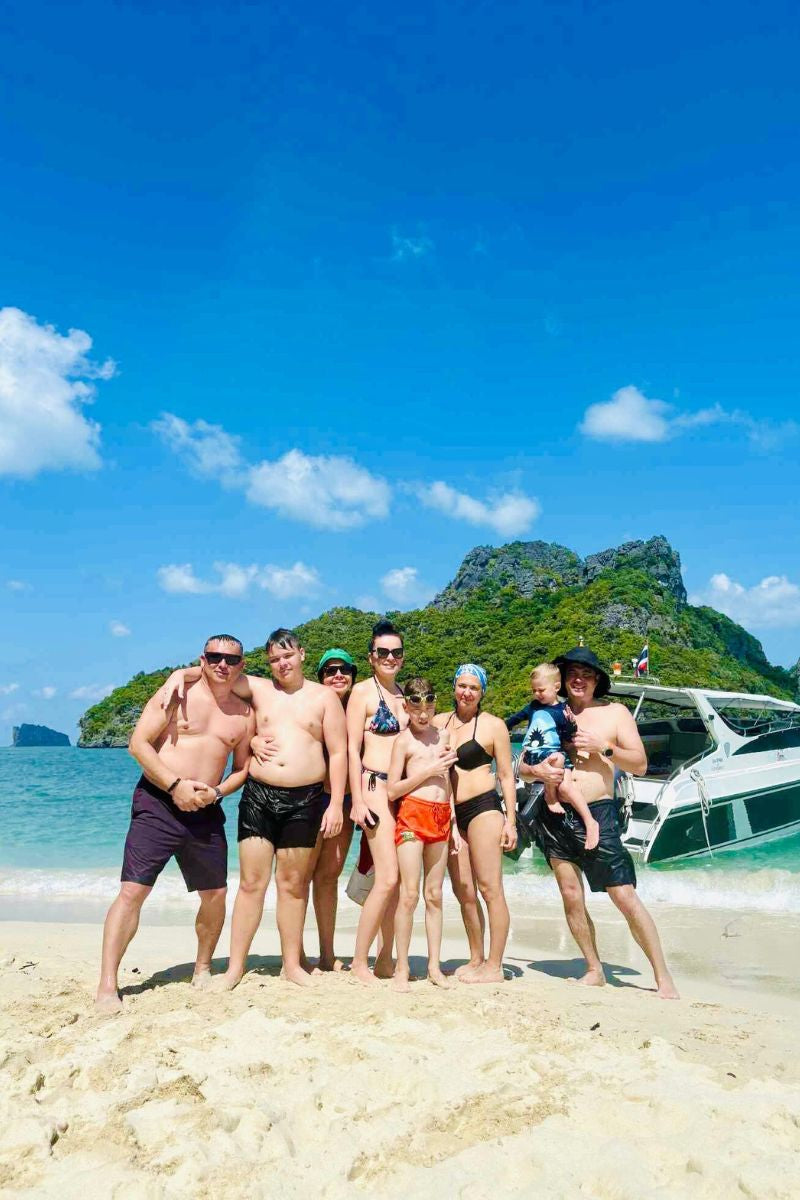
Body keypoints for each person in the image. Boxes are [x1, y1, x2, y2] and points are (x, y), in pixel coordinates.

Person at [161, 628, 348, 987]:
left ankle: (291, 965)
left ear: (302, 655)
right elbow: (216, 674)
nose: (282, 664)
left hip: (305, 800)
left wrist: (336, 803)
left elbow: (338, 753)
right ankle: (235, 967)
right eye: (275, 659)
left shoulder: (324, 697)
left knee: (292, 885)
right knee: (251, 884)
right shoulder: (259, 689)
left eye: (288, 656)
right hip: (259, 796)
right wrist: (177, 674)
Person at [96, 635, 255, 1012]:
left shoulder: (243, 714)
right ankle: (106, 985)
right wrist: (175, 785)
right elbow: (139, 744)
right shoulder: (175, 695)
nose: (222, 665)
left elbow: (243, 768)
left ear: (241, 665)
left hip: (205, 808)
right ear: (202, 659)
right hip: (158, 803)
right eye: (215, 657)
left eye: (231, 660)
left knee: (215, 895)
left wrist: (216, 793)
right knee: (133, 892)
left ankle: (202, 967)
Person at [519, 646, 679, 999]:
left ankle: (662, 975)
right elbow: (521, 764)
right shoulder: (547, 712)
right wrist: (535, 770)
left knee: (623, 894)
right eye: (573, 672)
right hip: (555, 813)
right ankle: (594, 968)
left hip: (599, 812)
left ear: (597, 681)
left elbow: (639, 763)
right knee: (570, 894)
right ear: (562, 679)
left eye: (587, 674)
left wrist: (604, 747)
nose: (579, 679)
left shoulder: (616, 713)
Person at [436, 664, 517, 983]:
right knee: (464, 890)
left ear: (482, 692)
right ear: (454, 687)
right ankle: (476, 957)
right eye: (461, 685)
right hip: (452, 812)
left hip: (484, 806)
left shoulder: (494, 726)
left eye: (474, 687)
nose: (466, 692)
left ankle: (495, 966)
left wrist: (510, 821)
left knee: (489, 888)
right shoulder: (439, 721)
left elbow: (507, 777)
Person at [387, 677, 460, 991]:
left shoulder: (443, 736)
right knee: (409, 894)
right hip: (412, 815)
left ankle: (434, 966)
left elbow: (449, 783)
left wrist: (453, 821)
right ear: (406, 707)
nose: (423, 714)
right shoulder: (403, 742)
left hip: (441, 817)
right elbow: (392, 791)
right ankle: (402, 968)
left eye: (428, 706)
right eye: (416, 707)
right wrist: (427, 772)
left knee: (435, 895)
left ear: (434, 706)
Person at [346, 618, 408, 984]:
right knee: (385, 878)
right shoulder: (362, 693)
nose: (389, 657)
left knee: (397, 882)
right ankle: (358, 962)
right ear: (371, 657)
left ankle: (385, 960)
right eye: (382, 652)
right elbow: (352, 750)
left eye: (395, 652)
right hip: (373, 788)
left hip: (401, 793)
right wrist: (356, 801)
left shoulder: (402, 694)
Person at [521, 662, 600, 851]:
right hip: (539, 757)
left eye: (541, 690)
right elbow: (513, 721)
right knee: (557, 777)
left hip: (558, 755)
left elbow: (568, 734)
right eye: (534, 690)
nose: (537, 694)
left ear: (556, 687)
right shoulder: (533, 708)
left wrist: (572, 724)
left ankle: (590, 822)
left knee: (565, 786)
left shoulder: (563, 710)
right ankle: (551, 796)